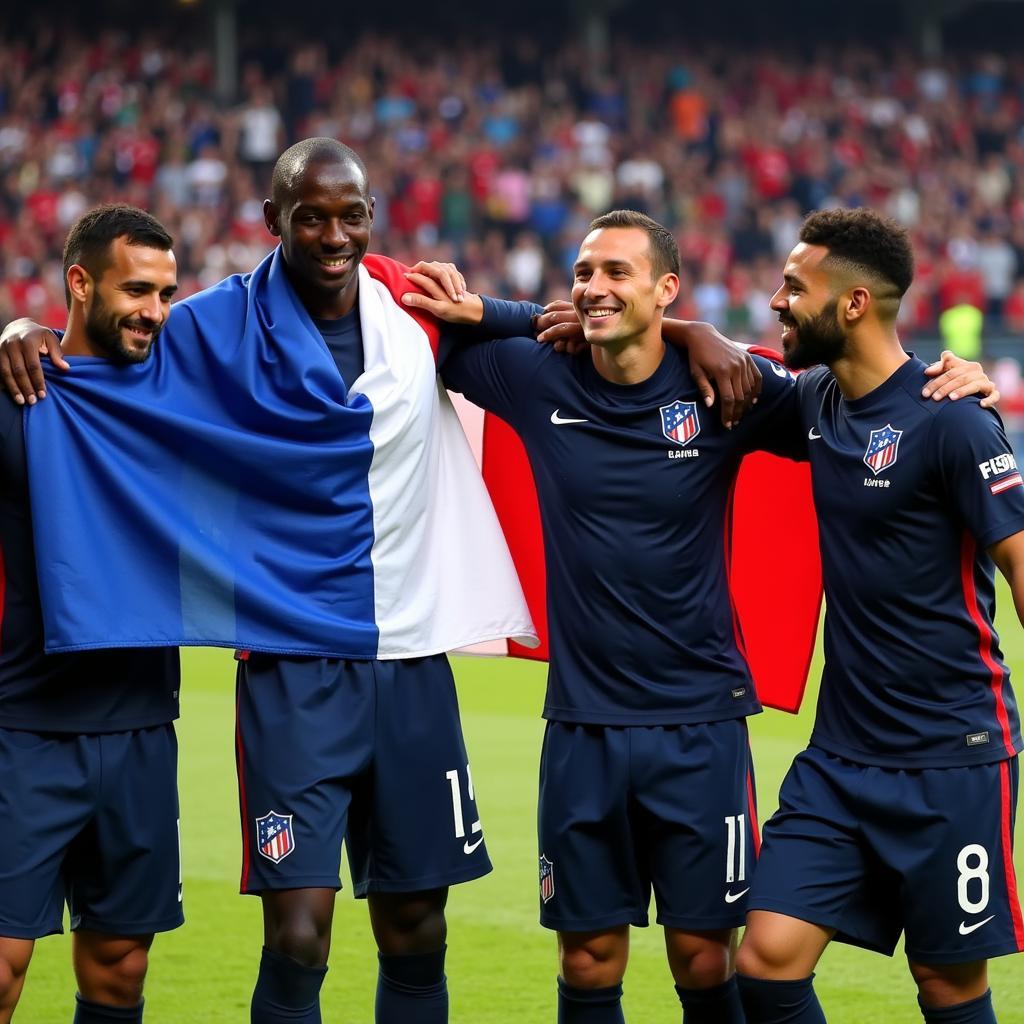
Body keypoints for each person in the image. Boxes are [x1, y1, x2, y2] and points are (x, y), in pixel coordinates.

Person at [0, 143, 757, 1024]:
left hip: (411, 661)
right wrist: (25, 332)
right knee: (297, 936)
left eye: (350, 214)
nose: (333, 234)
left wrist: (687, 331)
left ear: (371, 218)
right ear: (273, 220)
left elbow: (560, 327)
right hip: (291, 665)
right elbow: (116, 364)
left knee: (415, 923)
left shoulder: (412, 304)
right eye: (311, 216)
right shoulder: (215, 322)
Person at [400, 208, 1003, 1024]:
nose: (593, 286)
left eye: (617, 273)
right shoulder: (557, 378)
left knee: (775, 963)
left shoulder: (821, 401)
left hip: (810, 739)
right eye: (585, 274)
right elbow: (461, 335)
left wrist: (966, 387)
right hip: (673, 735)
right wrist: (674, 329)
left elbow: (881, 409)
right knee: (671, 960)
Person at [732, 208, 1024, 1024]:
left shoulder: (954, 419)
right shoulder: (816, 403)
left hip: (954, 760)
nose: (777, 301)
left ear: (854, 303)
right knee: (766, 963)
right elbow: (711, 368)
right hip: (843, 759)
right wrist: (695, 335)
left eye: (795, 286)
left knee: (947, 985)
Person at [0, 204, 181, 1024]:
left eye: (167, 293)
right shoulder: (16, 389)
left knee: (119, 966)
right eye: (136, 290)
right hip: (22, 723)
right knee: (2, 968)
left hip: (140, 723)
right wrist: (11, 328)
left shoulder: (185, 394)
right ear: (79, 282)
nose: (155, 311)